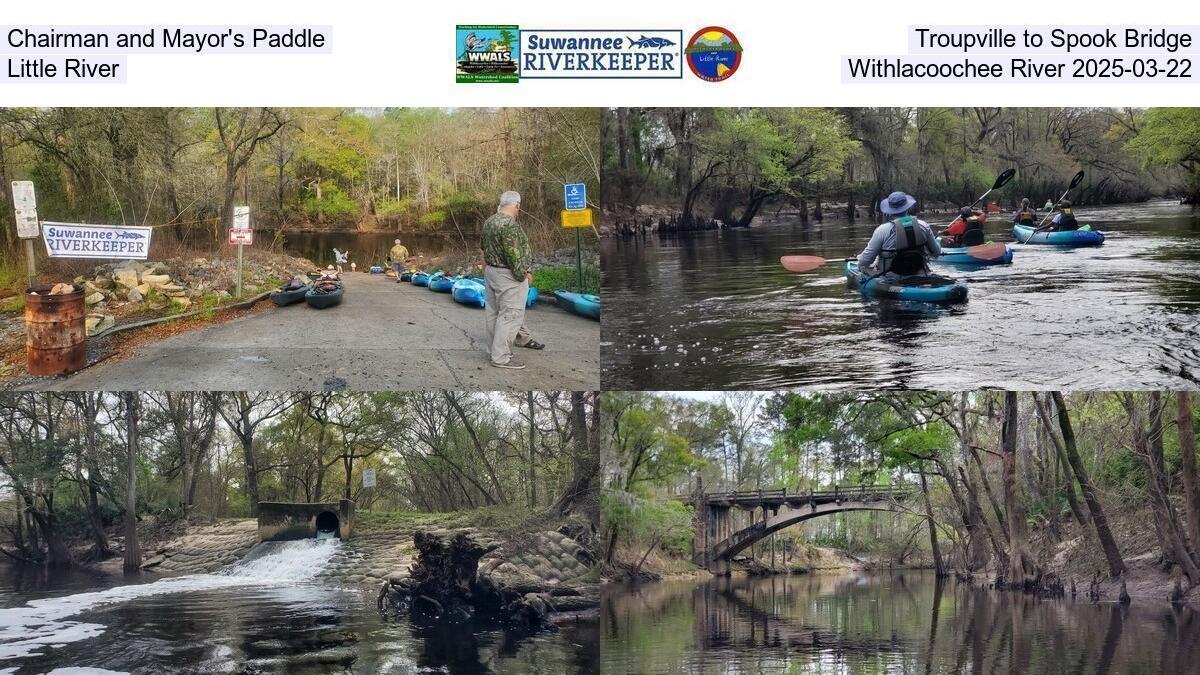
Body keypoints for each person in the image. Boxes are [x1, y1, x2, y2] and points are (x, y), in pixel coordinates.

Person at [480, 190, 544, 369]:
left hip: (491, 271)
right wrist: (524, 275)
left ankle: (492, 350)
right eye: (519, 206)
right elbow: (515, 255)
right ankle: (500, 357)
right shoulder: (510, 225)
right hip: (508, 275)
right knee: (510, 315)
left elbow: (483, 249)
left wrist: (486, 270)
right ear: (517, 205)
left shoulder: (489, 222)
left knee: (493, 313)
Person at [857, 191, 941, 278]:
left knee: (864, 266)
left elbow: (865, 261)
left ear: (890, 210)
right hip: (920, 274)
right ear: (907, 207)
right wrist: (937, 243)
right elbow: (936, 253)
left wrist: (860, 259)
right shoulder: (924, 226)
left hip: (890, 277)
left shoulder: (881, 230)